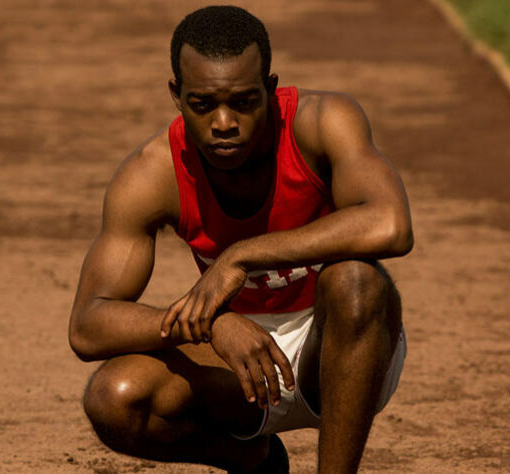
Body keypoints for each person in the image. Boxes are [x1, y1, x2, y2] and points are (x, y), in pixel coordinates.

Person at [68, 5, 412, 473]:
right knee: (115, 399)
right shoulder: (153, 173)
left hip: (342, 340)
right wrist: (212, 324)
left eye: (244, 102)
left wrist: (241, 256)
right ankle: (253, 459)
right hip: (236, 364)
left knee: (357, 280)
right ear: (177, 94)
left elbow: (390, 223)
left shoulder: (323, 120)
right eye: (203, 104)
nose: (224, 122)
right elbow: (88, 324)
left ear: (271, 89)